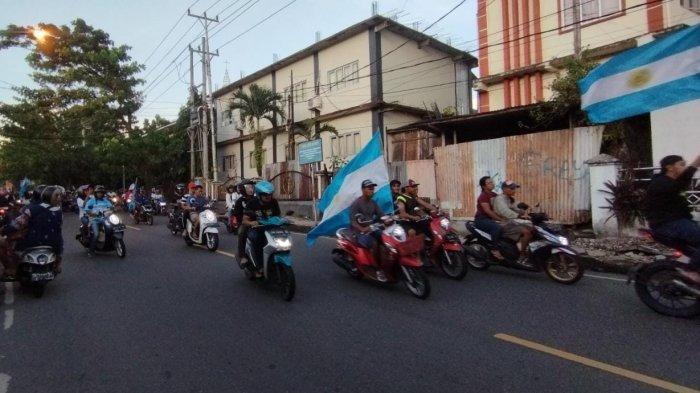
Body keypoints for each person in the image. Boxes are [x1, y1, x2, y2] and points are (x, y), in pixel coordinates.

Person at [645, 154, 700, 281]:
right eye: (681, 164)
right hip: (668, 224)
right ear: (670, 167)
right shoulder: (660, 182)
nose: (684, 167)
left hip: (681, 222)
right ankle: (691, 271)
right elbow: (682, 181)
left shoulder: (674, 183)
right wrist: (695, 163)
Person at [1, 185, 64, 281]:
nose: (59, 198)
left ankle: (12, 269)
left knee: (10, 246)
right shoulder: (59, 212)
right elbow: (58, 229)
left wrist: (5, 230)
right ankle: (56, 264)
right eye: (57, 195)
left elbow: (17, 224)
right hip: (54, 245)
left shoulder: (31, 209)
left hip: (33, 241)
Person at [240, 181, 281, 276]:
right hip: (257, 229)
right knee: (258, 240)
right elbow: (244, 221)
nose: (268, 196)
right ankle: (259, 266)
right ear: (259, 195)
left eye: (270, 194)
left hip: (271, 229)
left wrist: (283, 220)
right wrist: (251, 222)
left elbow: (278, 216)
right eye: (265, 194)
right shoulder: (252, 203)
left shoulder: (274, 202)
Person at [349, 179, 386, 282]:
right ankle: (377, 269)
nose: (372, 190)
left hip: (372, 229)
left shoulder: (373, 203)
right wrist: (362, 228)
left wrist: (387, 220)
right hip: (359, 232)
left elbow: (381, 214)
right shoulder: (356, 203)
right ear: (363, 190)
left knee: (387, 239)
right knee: (374, 244)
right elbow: (352, 221)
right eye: (369, 188)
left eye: (373, 189)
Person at [493, 180, 533, 264]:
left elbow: (516, 207)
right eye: (512, 188)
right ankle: (522, 255)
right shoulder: (500, 199)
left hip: (509, 222)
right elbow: (505, 211)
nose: (514, 190)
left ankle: (524, 248)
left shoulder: (508, 199)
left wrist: (526, 209)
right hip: (501, 224)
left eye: (514, 188)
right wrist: (519, 216)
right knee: (527, 232)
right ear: (504, 189)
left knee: (532, 228)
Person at [473, 176, 504, 259]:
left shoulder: (494, 195)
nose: (492, 184)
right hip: (481, 220)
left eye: (492, 182)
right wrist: (500, 219)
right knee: (496, 227)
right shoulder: (483, 196)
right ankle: (495, 249)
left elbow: (501, 207)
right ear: (484, 186)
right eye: (489, 183)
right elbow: (488, 211)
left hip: (490, 219)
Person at [84, 186, 114, 257]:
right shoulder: (92, 201)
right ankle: (91, 251)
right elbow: (87, 210)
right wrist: (94, 213)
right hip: (95, 220)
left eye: (101, 193)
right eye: (98, 193)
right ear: (95, 193)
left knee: (114, 228)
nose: (100, 194)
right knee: (96, 234)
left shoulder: (105, 200)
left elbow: (111, 207)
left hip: (105, 219)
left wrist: (112, 209)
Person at [235, 183, 256, 266]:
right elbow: (237, 214)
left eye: (251, 187)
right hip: (245, 223)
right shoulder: (240, 201)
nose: (251, 189)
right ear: (243, 189)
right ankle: (242, 256)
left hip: (257, 223)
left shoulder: (256, 199)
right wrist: (246, 221)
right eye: (248, 187)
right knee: (241, 232)